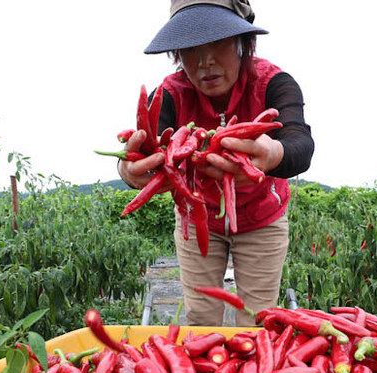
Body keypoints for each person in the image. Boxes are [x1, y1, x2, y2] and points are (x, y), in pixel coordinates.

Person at [117, 0, 314, 327]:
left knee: (258, 321)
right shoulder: (169, 94)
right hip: (197, 216)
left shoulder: (273, 83)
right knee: (202, 320)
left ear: (242, 43)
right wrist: (129, 169)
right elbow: (142, 147)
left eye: (219, 42)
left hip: (261, 218)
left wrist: (271, 155)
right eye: (191, 48)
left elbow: (299, 143)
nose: (205, 61)